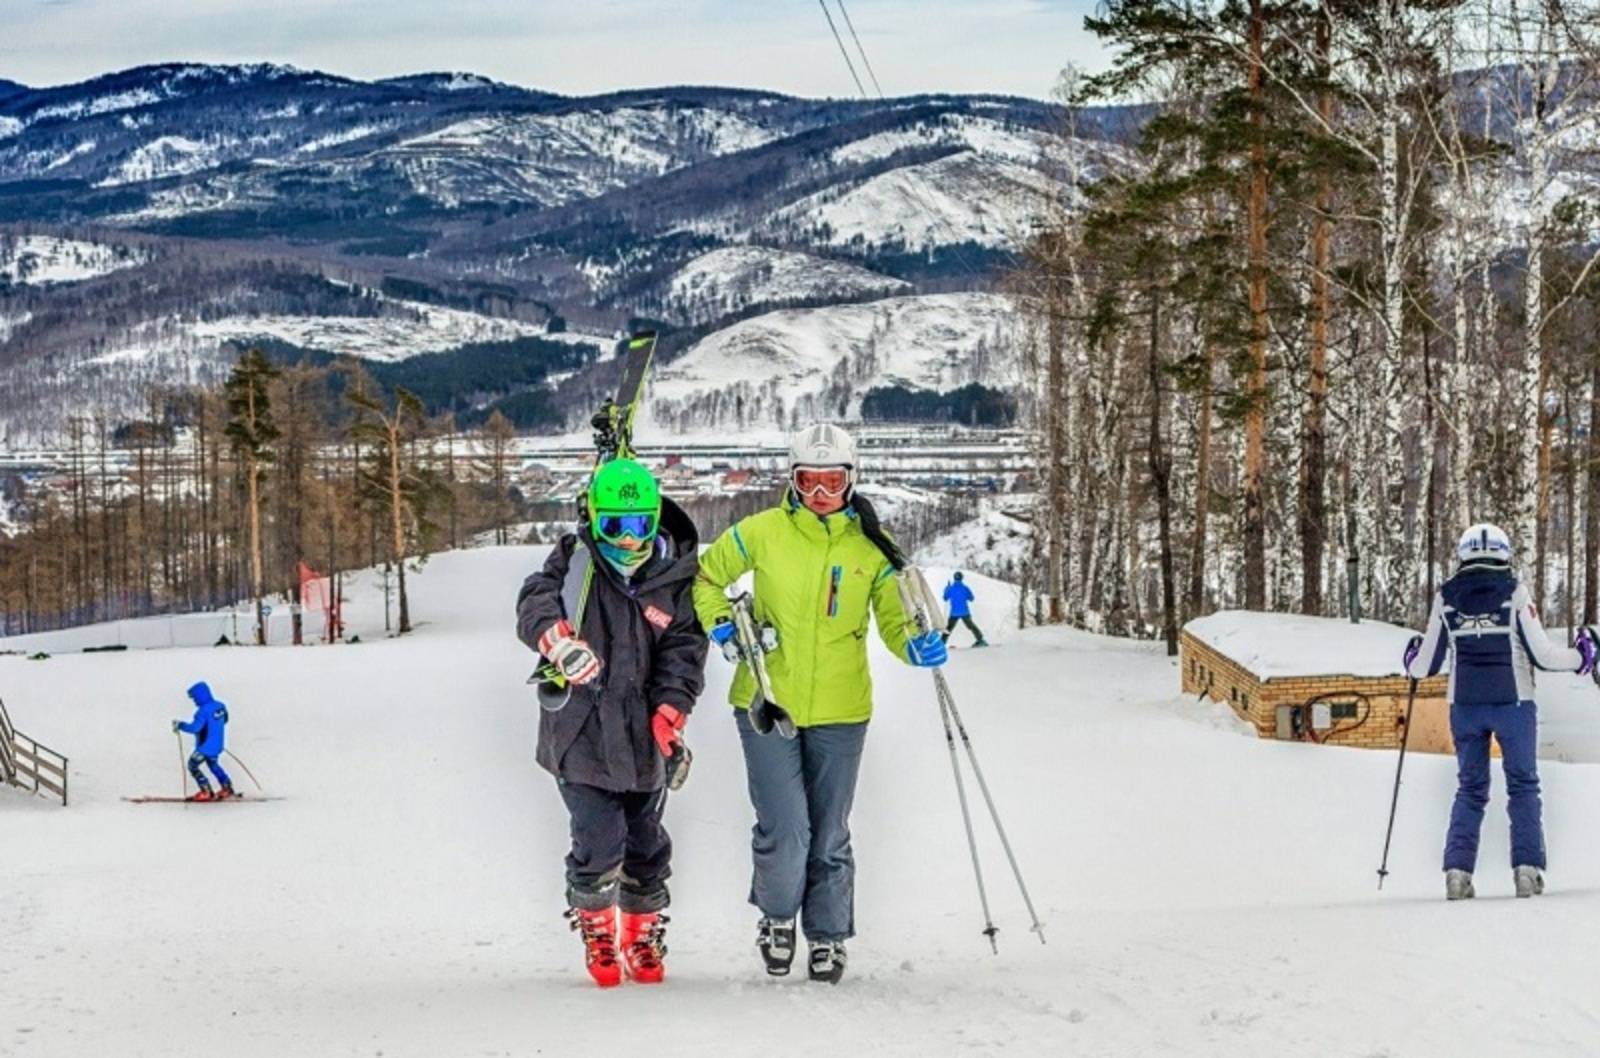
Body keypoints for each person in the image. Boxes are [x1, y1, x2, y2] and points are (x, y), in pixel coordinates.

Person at [693, 423, 947, 985]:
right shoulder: (761, 532)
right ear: (793, 480)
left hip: (841, 709)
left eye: (833, 481)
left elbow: (896, 621)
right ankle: (779, 918)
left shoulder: (872, 549)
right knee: (787, 827)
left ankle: (828, 936)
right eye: (809, 481)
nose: (821, 494)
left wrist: (918, 645)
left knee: (829, 831)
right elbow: (707, 578)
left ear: (852, 479)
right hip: (765, 701)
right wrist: (721, 626)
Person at [515, 458, 707, 988]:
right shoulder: (576, 564)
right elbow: (535, 598)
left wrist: (672, 707)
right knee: (599, 839)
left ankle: (640, 933)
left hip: (645, 740)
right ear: (594, 519)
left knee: (646, 844)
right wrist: (556, 638)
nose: (628, 539)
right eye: (615, 527)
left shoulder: (673, 581)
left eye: (640, 525)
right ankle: (597, 925)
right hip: (580, 736)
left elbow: (684, 653)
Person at [1403, 522, 1595, 901]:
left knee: (1470, 788)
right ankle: (1527, 872)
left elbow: (1424, 665)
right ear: (1505, 555)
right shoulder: (1515, 593)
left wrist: (1410, 658)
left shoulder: (1447, 597)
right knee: (1523, 784)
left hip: (1465, 706)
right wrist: (1583, 656)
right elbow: (1542, 655)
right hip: (1514, 703)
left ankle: (1458, 874)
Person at [172, 681, 233, 801]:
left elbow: (195, 728)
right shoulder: (220, 705)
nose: (194, 700)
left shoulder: (202, 712)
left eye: (194, 697)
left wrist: (180, 725)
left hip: (205, 747)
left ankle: (206, 791)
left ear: (200, 696)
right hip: (217, 745)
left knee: (192, 765)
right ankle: (227, 787)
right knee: (213, 765)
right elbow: (225, 720)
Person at [941, 571, 987, 646]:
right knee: (971, 626)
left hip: (954, 612)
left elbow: (945, 598)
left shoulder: (950, 589)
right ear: (962, 578)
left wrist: (946, 589)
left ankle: (942, 643)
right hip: (964, 612)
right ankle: (980, 639)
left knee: (948, 628)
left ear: (954, 578)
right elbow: (971, 598)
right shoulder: (965, 588)